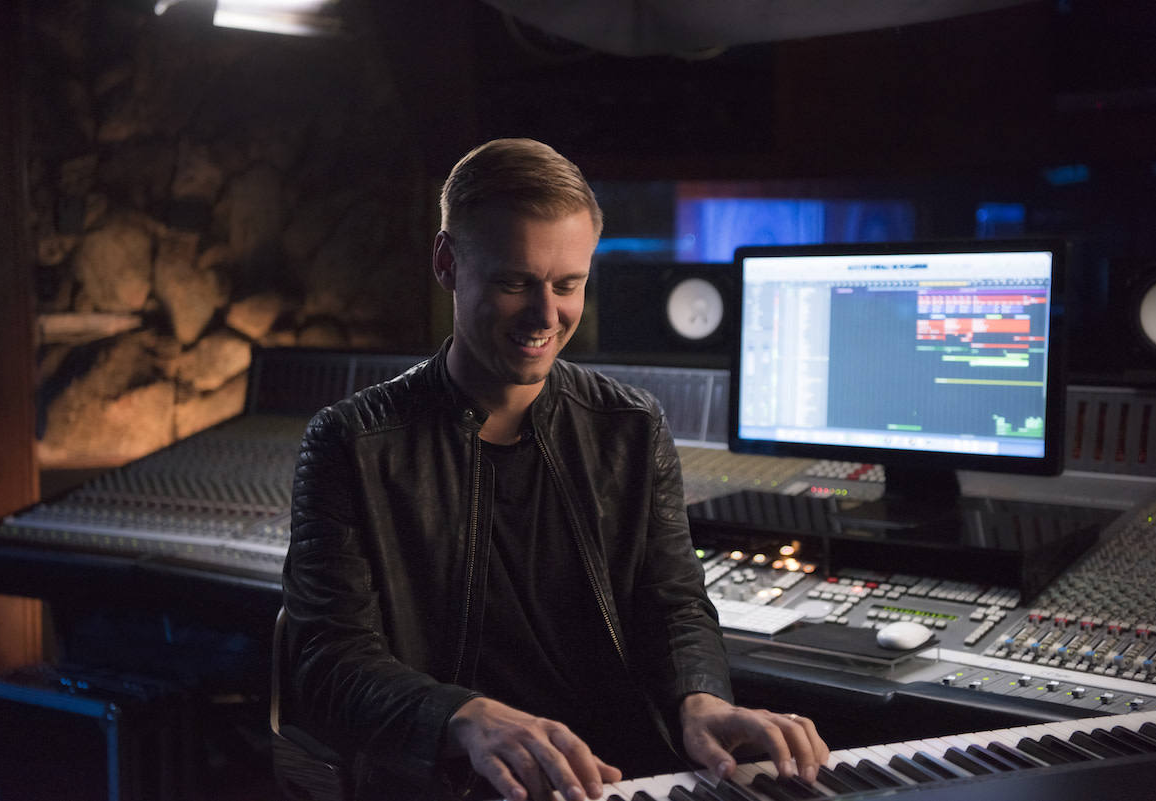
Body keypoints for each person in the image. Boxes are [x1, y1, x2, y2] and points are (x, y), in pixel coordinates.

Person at [282, 138, 830, 801]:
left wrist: (701, 700)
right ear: (447, 263)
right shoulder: (350, 443)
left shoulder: (633, 426)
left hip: (627, 780)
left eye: (568, 284)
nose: (547, 315)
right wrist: (462, 714)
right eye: (516, 283)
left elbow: (675, 606)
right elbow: (325, 660)